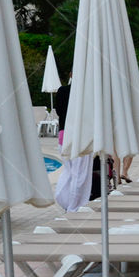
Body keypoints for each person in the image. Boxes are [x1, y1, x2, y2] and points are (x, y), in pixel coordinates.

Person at [53, 73, 94, 212]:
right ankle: (75, 207)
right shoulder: (88, 94)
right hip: (81, 136)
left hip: (63, 135)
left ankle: (65, 201)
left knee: (69, 171)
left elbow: (58, 111)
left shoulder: (62, 91)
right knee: (80, 174)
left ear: (70, 75)